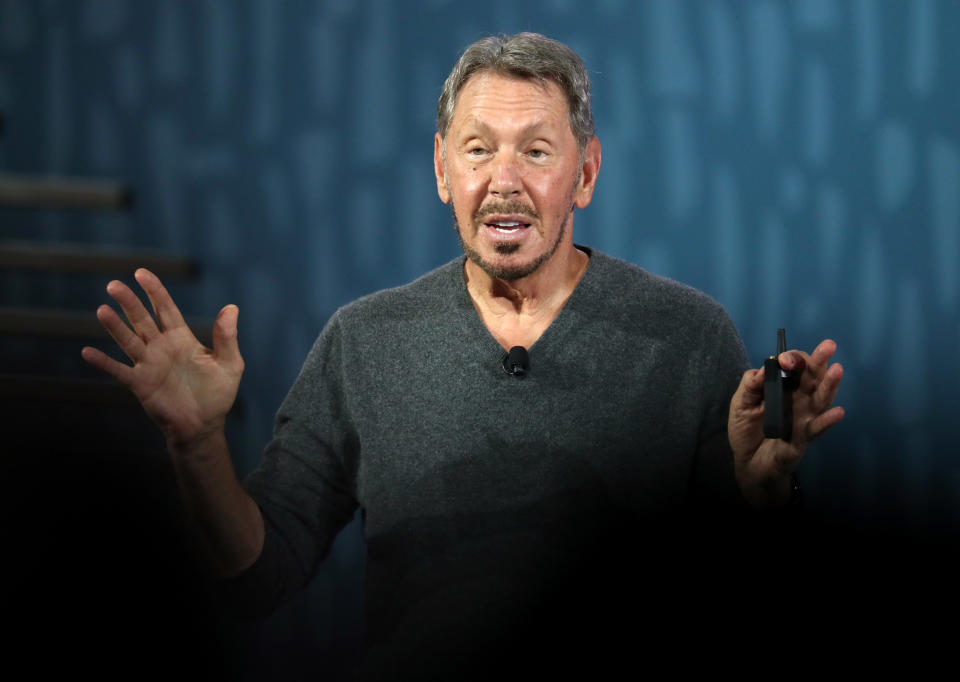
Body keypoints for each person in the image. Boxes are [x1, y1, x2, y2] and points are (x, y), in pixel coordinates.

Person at [82, 32, 844, 680]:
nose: (503, 183)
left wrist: (762, 499)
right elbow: (258, 577)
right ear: (443, 170)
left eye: (537, 152)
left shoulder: (688, 336)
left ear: (584, 174)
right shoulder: (365, 343)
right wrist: (199, 445)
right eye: (479, 150)